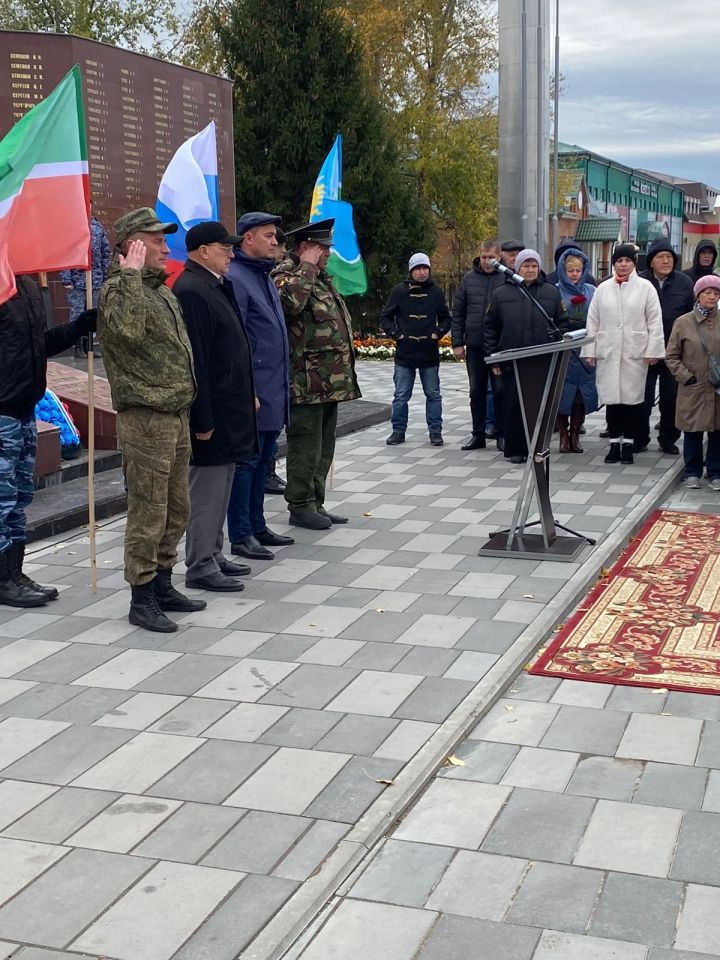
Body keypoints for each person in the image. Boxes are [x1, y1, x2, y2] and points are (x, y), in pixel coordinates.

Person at [99, 207, 206, 632]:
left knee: (177, 509)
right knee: (148, 510)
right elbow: (126, 333)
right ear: (133, 246)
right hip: (145, 419)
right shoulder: (116, 291)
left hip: (174, 415)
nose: (166, 247)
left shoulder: (161, 291)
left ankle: (163, 582)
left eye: (164, 240)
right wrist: (128, 277)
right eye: (156, 240)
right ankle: (141, 597)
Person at [0, 275, 95, 607]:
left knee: (18, 499)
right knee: (1, 500)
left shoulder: (24, 284)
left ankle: (13, 573)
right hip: (1, 411)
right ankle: (2, 580)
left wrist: (76, 328)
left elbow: (36, 344)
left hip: (23, 408)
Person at [173, 220, 258, 590]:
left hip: (230, 407)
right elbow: (198, 362)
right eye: (225, 248)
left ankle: (213, 552)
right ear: (203, 250)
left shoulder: (213, 285)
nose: (231, 254)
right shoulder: (192, 289)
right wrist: (201, 417)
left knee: (221, 485)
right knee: (206, 492)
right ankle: (200, 565)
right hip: (212, 413)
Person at [273, 218, 361, 530]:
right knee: (305, 445)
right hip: (306, 381)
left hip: (329, 381)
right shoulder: (286, 274)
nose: (327, 254)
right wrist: (307, 266)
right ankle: (299, 504)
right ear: (305, 247)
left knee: (324, 446)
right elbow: (291, 305)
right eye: (322, 248)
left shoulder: (321, 278)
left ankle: (316, 502)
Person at [226, 212, 294, 561]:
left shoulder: (263, 275)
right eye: (268, 236)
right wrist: (247, 390)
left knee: (265, 458)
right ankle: (240, 533)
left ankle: (257, 525)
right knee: (247, 463)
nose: (274, 242)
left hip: (273, 387)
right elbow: (239, 341)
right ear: (247, 239)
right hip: (254, 391)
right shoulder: (238, 277)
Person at [582, 243, 665, 466]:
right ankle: (614, 444)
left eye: (627, 260)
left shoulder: (646, 287)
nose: (623, 264)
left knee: (632, 402)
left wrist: (654, 350)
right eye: (619, 261)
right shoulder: (603, 289)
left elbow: (655, 321)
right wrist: (589, 350)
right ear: (614, 263)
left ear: (634, 263)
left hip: (634, 353)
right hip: (608, 352)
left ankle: (628, 443)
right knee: (612, 402)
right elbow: (593, 321)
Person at [485, 248, 567, 463]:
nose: (530, 270)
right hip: (513, 360)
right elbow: (490, 327)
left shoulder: (551, 292)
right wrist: (493, 357)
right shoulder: (501, 294)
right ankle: (516, 449)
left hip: (543, 360)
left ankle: (538, 447)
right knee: (513, 405)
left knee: (540, 405)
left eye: (533, 266)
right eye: (525, 266)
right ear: (517, 267)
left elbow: (562, 322)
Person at [381, 252, 451, 446]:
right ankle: (398, 431)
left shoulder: (436, 292)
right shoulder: (399, 291)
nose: (422, 272)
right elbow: (385, 317)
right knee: (401, 395)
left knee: (433, 394)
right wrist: (397, 334)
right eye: (418, 269)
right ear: (411, 271)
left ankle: (435, 431)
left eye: (425, 268)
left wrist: (438, 333)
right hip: (405, 353)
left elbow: (446, 318)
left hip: (429, 352)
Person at [637, 239, 694, 454]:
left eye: (669, 257)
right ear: (651, 261)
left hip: (675, 351)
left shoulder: (684, 283)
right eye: (660, 257)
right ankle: (640, 437)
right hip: (646, 350)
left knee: (671, 398)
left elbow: (691, 317)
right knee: (643, 396)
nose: (665, 261)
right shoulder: (640, 282)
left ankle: (668, 438)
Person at [666, 276, 720, 489]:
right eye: (707, 292)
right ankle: (692, 471)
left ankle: (715, 472)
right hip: (693, 386)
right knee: (692, 431)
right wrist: (685, 376)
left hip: (716, 388)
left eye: (716, 293)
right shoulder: (683, 322)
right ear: (698, 295)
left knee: (717, 432)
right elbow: (671, 356)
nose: (712, 296)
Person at [451, 238, 505, 451]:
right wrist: (457, 342)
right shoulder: (468, 279)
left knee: (500, 391)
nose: (486, 261)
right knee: (476, 392)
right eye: (484, 257)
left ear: (499, 257)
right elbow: (458, 313)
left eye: (491, 257)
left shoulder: (505, 279)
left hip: (499, 346)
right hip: (474, 345)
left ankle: (501, 433)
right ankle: (478, 434)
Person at [554, 248, 598, 452]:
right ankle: (563, 434)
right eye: (570, 270)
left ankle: (575, 433)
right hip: (564, 349)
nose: (574, 274)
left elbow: (598, 316)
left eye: (578, 270)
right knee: (563, 393)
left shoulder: (591, 290)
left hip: (585, 348)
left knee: (581, 395)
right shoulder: (555, 290)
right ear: (563, 270)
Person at [265, 226, 289, 496]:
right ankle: (267, 475)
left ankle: (269, 472)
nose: (278, 250)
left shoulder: (268, 276)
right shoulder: (278, 275)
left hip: (277, 371)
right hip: (266, 374)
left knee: (273, 431)